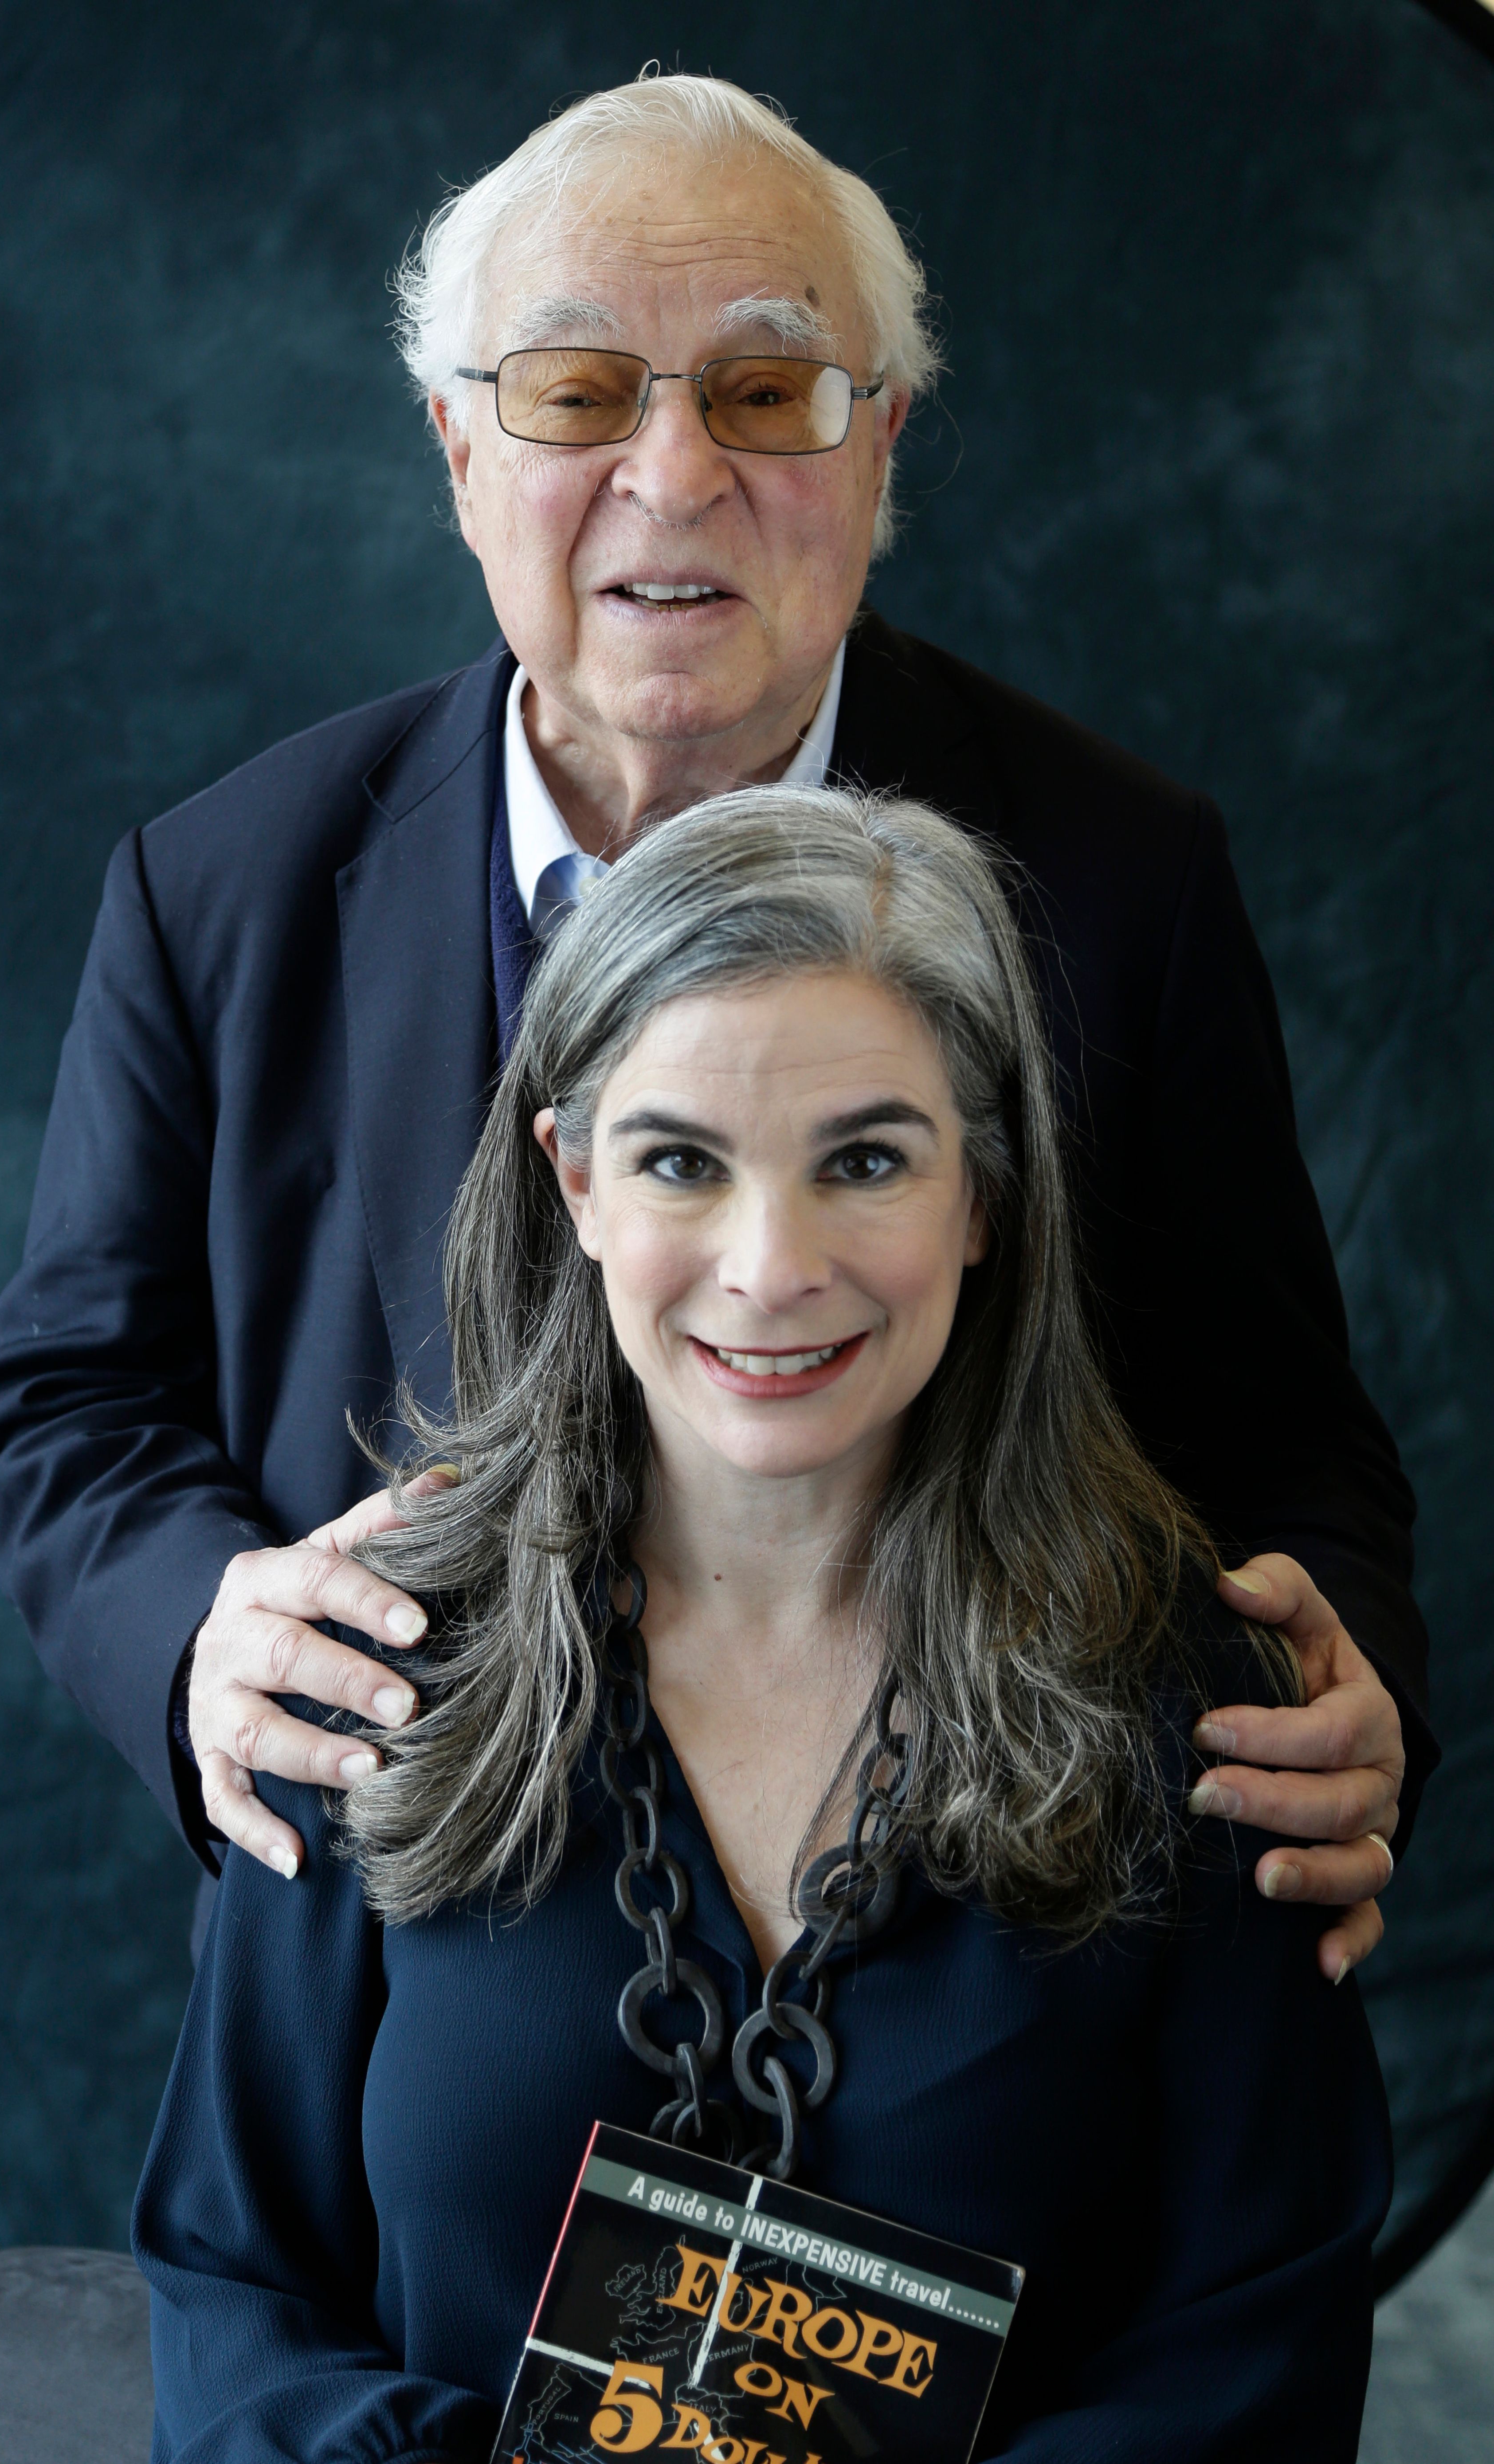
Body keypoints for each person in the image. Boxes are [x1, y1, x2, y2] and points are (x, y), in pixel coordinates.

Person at [0, 72, 1423, 1978]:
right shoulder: (216, 888)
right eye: (575, 392)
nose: (672, 474)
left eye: (766, 391)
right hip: (402, 1983)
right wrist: (194, 1627)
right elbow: (64, 1401)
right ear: (459, 453)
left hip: (967, 1969)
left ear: (881, 446)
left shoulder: (1125, 879)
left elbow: (1290, 1435)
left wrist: (1351, 1674)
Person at [133, 787, 1391, 2463]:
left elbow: (1256, 2353)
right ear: (572, 1182)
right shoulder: (365, 1667)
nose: (771, 1265)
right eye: (680, 1162)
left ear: (986, 1197)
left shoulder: (1206, 1714)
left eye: (866, 1160)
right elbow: (232, 2290)